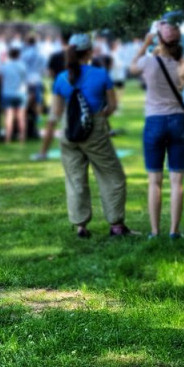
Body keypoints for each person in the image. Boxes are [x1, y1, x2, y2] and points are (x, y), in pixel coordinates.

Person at [50, 33, 135, 238]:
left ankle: (80, 226)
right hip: (94, 130)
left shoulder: (60, 78)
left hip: (69, 133)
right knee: (112, 175)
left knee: (75, 178)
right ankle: (116, 224)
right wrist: (99, 116)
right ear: (89, 52)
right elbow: (112, 106)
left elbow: (56, 112)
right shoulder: (101, 75)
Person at [130, 20, 184, 239]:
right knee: (177, 181)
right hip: (178, 121)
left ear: (158, 39)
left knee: (154, 181)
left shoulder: (148, 62)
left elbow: (132, 67)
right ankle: (174, 230)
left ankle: (155, 231)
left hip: (154, 121)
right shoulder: (183, 64)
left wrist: (145, 44)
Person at [0, 47, 27, 143]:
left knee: (8, 116)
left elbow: (0, 78)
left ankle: (7, 138)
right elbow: (25, 78)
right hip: (20, 93)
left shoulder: (5, 66)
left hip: (7, 92)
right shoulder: (22, 66)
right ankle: (22, 137)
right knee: (21, 117)